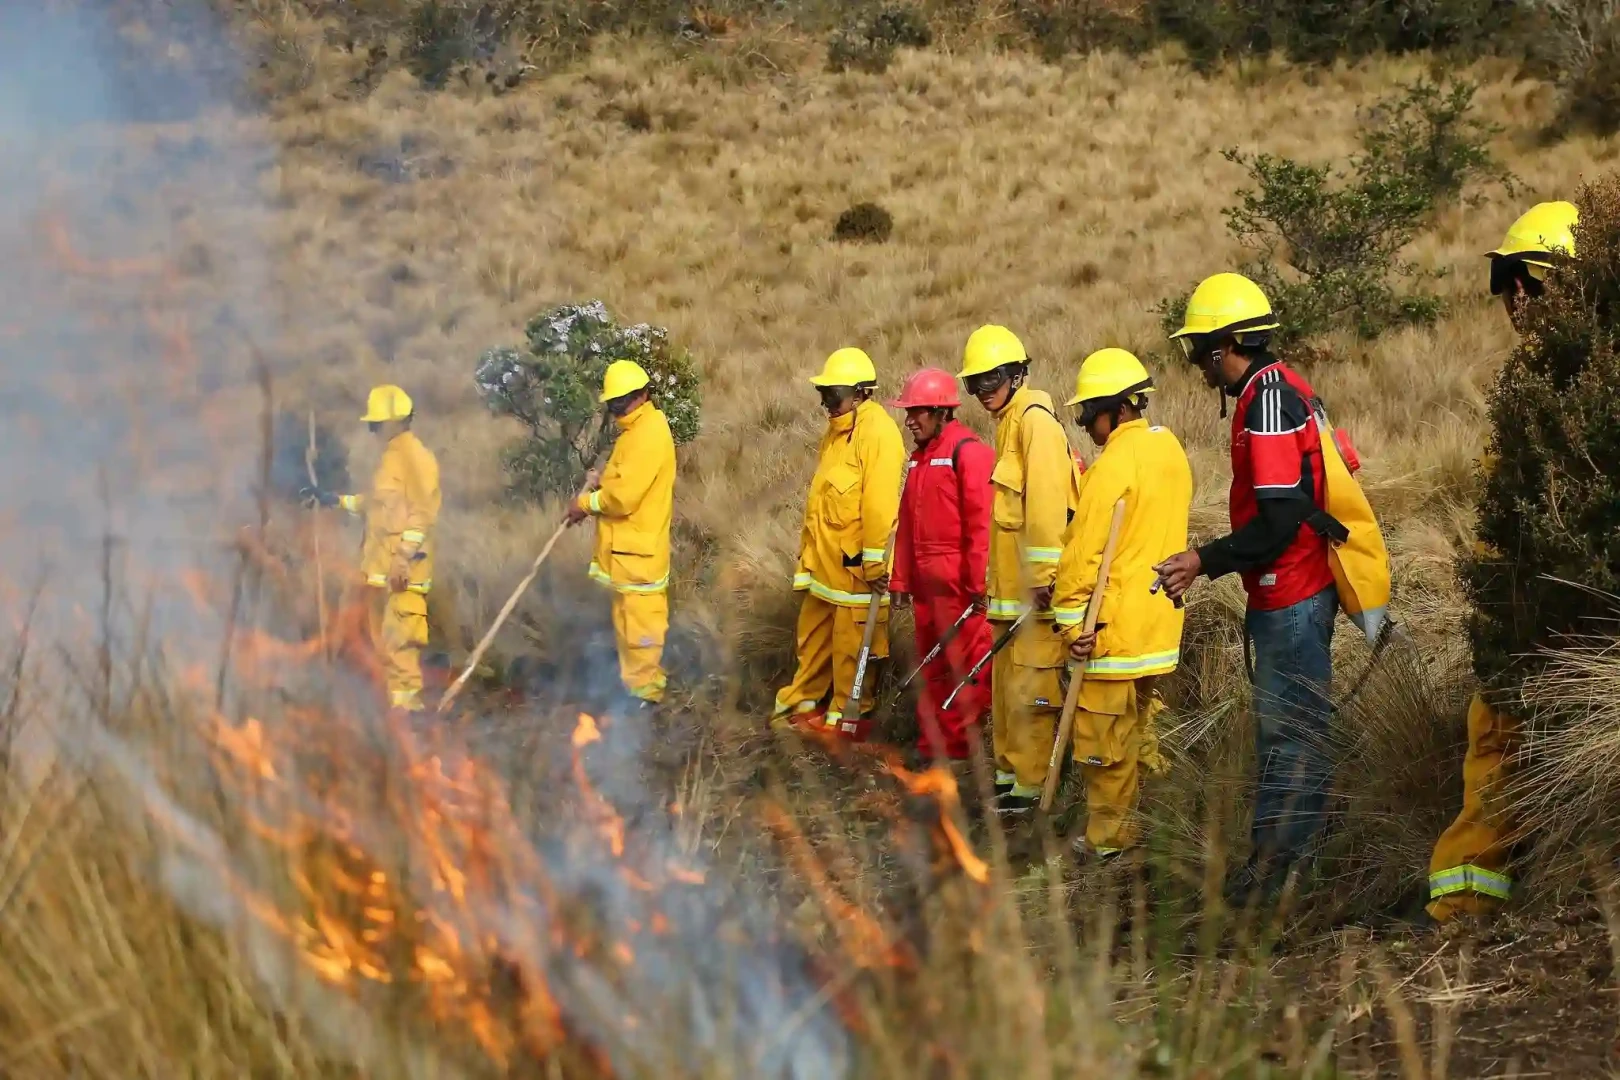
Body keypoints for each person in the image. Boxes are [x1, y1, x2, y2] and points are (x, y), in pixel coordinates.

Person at [1153, 273, 1338, 898]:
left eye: (1197, 349)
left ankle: (1281, 877)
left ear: (1225, 344)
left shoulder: (1266, 400)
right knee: (1287, 730)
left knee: (1292, 734)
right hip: (1288, 591)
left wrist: (1203, 559)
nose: (1194, 364)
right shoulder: (1279, 390)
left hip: (1293, 594)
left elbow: (1281, 517)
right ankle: (1277, 864)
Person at [1426, 200, 1579, 922]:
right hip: (1549, 598)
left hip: (1532, 604)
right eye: (1507, 282)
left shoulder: (1548, 378)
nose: (1515, 299)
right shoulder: (1566, 370)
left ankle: (1464, 906)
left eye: (1531, 281)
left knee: (1497, 737)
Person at [1052, 349, 1190, 859]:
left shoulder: (1113, 465)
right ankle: (1159, 814)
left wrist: (1070, 626)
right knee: (1143, 728)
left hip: (1111, 631)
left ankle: (1110, 839)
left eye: (1089, 413)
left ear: (1117, 408)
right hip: (1159, 626)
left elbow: (1083, 552)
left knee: (1103, 743)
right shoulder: (1170, 449)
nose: (1086, 424)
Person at [957, 325, 1081, 814]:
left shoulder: (1036, 423)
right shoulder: (1007, 426)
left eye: (992, 378)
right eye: (976, 383)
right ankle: (1011, 778)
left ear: (1016, 373)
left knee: (1032, 690)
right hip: (1009, 600)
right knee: (1008, 693)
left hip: (1036, 598)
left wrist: (1046, 579)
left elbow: (1049, 507)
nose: (984, 390)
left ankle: (1031, 787)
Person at [772, 347, 905, 739]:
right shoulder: (836, 433)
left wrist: (877, 564)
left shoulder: (878, 434)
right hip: (823, 569)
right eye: (824, 395)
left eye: (834, 395)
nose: (827, 404)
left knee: (853, 648)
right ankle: (802, 704)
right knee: (811, 641)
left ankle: (849, 719)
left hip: (855, 571)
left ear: (862, 392)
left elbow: (880, 508)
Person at [303, 384, 441, 713]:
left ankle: (408, 715)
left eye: (376, 424)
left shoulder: (417, 459)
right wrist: (334, 500)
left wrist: (405, 557)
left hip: (403, 572)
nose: (373, 431)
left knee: (401, 642)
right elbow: (377, 505)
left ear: (394, 422)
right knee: (383, 642)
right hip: (381, 570)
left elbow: (424, 512)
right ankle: (394, 709)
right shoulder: (391, 459)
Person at [887, 367, 995, 763]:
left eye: (916, 412)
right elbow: (905, 527)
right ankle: (932, 744)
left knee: (964, 670)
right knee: (932, 671)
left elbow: (981, 524)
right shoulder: (918, 461)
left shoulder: (969, 453)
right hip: (927, 593)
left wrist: (977, 584)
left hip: (960, 592)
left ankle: (959, 752)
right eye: (907, 412)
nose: (909, 420)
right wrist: (900, 580)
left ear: (940, 411)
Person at [564, 358, 677, 706]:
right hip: (627, 556)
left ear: (644, 395)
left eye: (623, 401)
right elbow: (622, 481)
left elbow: (624, 498)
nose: (617, 409)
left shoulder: (649, 435)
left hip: (640, 557)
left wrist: (585, 504)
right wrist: (600, 483)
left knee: (642, 630)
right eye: (613, 403)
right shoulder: (635, 432)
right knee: (628, 627)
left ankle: (647, 697)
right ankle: (636, 688)